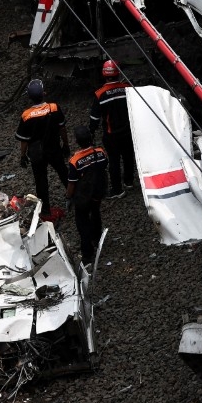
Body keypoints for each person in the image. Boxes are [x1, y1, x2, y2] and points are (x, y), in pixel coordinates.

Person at [16, 79, 70, 220]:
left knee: (41, 181)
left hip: (36, 153)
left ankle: (45, 210)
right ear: (44, 93)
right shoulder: (54, 107)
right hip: (54, 148)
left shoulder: (26, 115)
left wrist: (22, 156)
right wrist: (66, 144)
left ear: (29, 97)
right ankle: (74, 196)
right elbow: (62, 128)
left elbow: (24, 140)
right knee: (63, 172)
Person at [89, 59, 135, 197]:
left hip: (111, 134)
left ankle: (117, 190)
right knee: (128, 156)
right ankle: (129, 181)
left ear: (104, 74)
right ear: (118, 73)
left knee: (114, 161)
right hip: (128, 131)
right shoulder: (127, 88)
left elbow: (95, 118)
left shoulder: (99, 94)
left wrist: (91, 131)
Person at [66, 126, 108, 267]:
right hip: (98, 192)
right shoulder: (100, 152)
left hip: (83, 197)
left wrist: (68, 198)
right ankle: (97, 238)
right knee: (95, 214)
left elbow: (72, 184)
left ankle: (87, 255)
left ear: (77, 141)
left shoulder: (75, 161)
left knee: (82, 223)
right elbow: (104, 166)